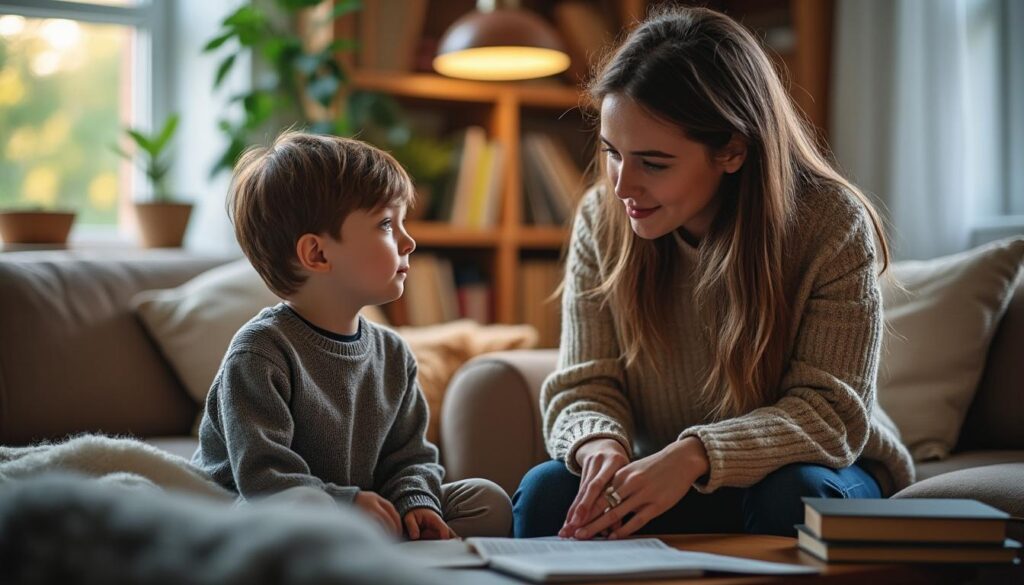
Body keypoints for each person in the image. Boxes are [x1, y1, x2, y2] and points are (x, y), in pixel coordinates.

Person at [512, 6, 914, 539]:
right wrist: (598, 444)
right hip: (675, 474)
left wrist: (696, 453)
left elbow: (831, 413)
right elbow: (585, 382)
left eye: (653, 163)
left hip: (823, 471)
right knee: (549, 493)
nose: (622, 185)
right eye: (613, 153)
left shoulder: (830, 223)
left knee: (790, 493)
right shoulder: (601, 218)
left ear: (731, 150)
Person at [192, 131, 511, 539]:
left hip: (358, 508)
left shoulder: (393, 353)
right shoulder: (260, 354)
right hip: (259, 516)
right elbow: (264, 477)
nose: (409, 241)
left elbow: (410, 457)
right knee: (298, 509)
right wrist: (344, 503)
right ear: (318, 254)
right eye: (386, 224)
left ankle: (388, 547)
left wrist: (415, 501)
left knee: (486, 501)